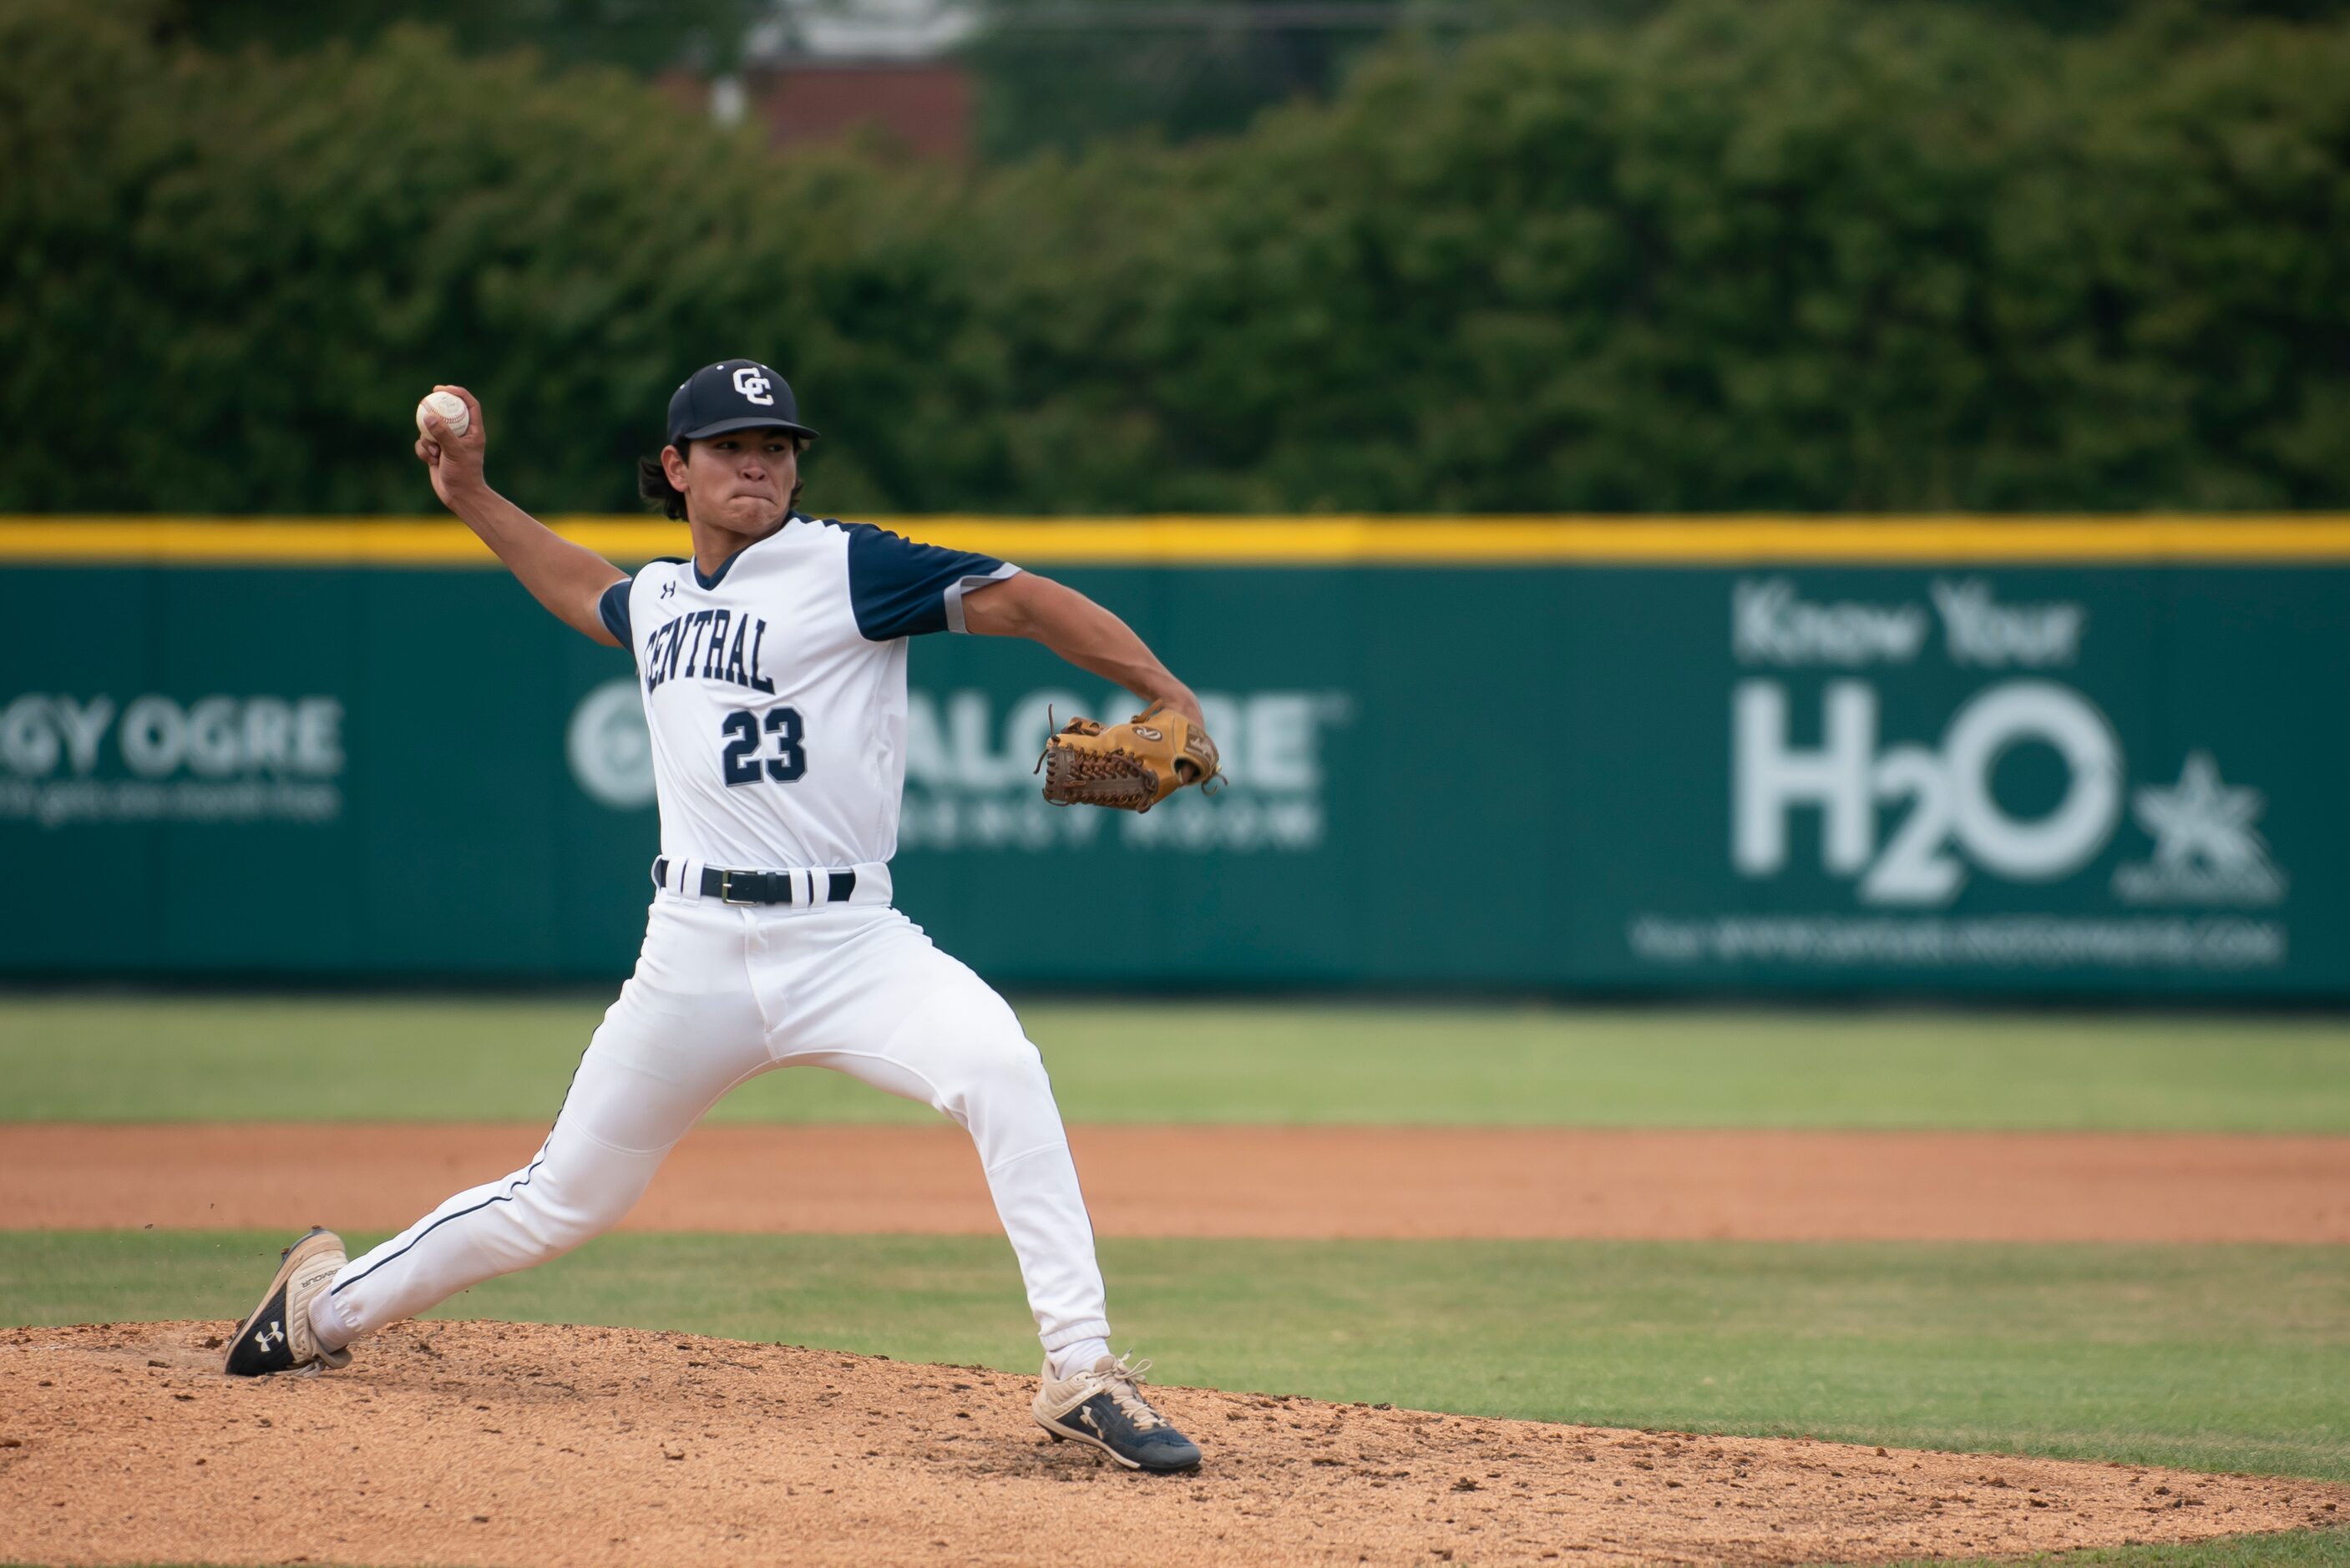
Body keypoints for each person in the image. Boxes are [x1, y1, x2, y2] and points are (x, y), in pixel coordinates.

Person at [220, 359, 1212, 1474]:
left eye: (779, 445)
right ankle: (320, 1305)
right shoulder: (661, 598)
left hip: (851, 945)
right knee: (562, 1200)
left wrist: (1166, 699)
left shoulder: (848, 565)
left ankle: (1080, 1365)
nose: (760, 460)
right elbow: (584, 590)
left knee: (1000, 1066)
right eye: (735, 444)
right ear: (674, 469)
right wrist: (472, 499)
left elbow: (1028, 599)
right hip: (691, 951)